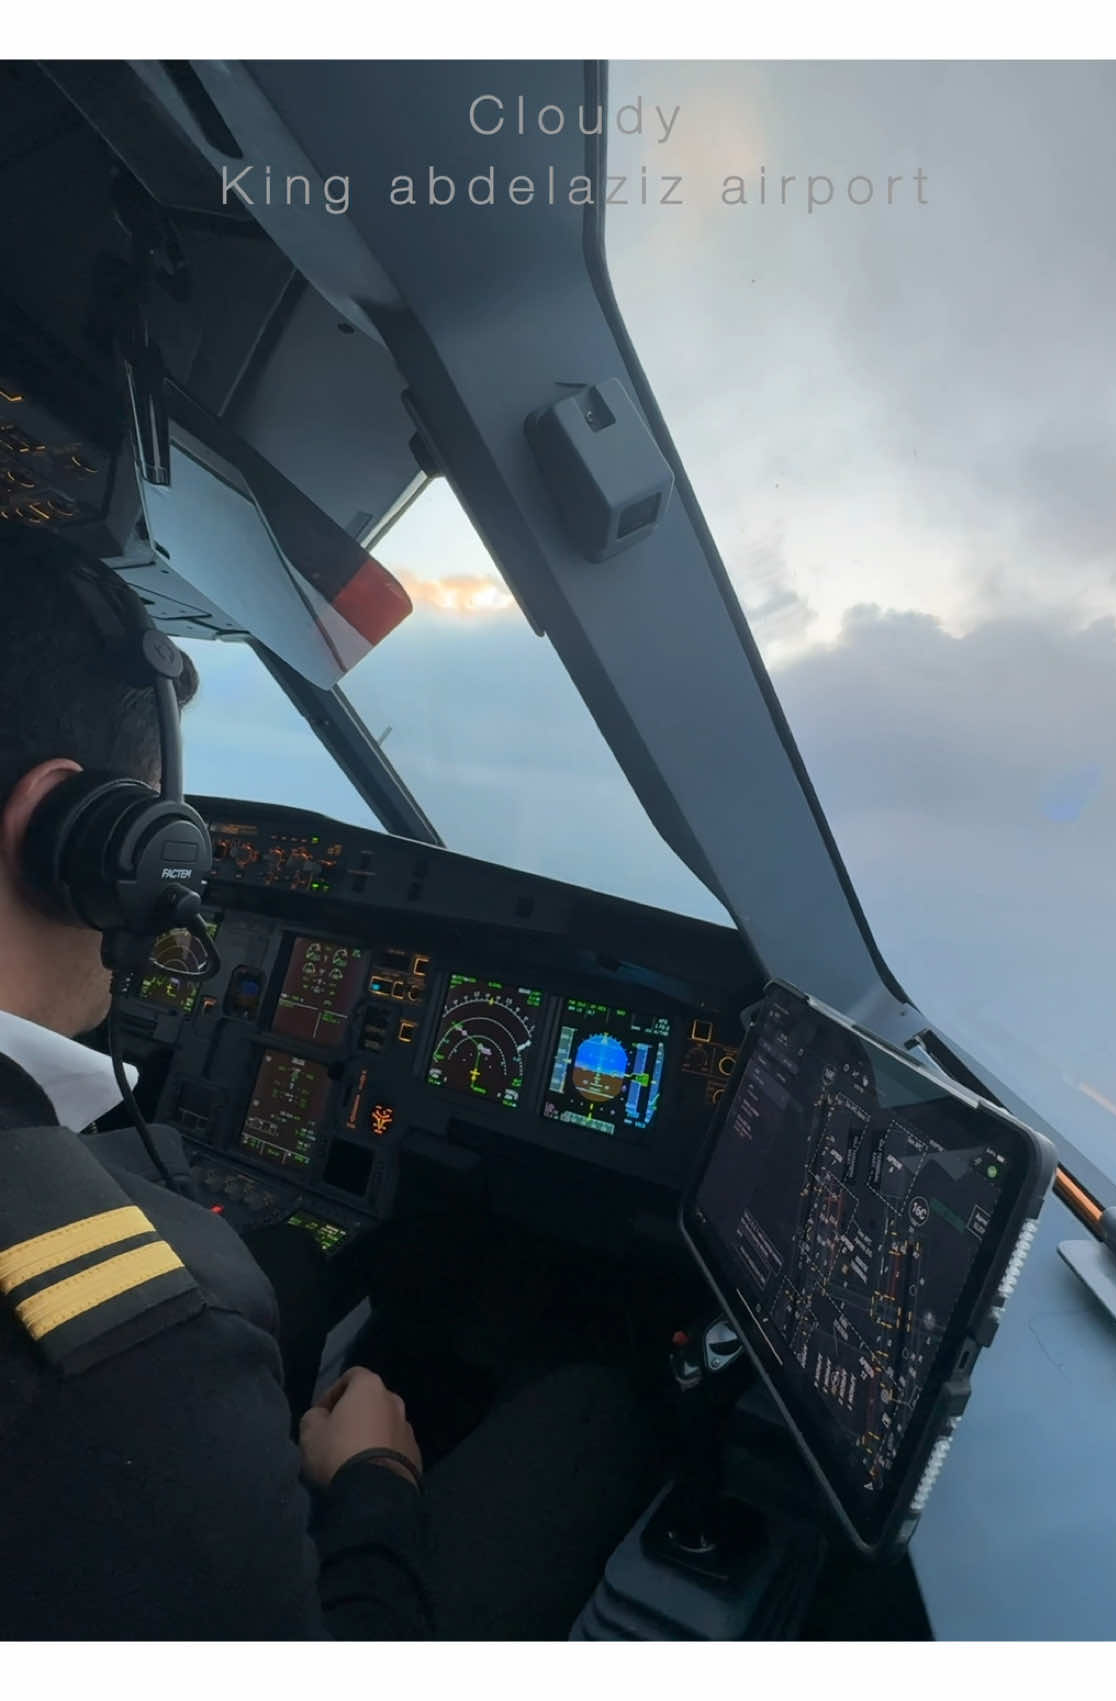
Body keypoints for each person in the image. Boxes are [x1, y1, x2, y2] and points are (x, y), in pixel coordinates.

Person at [0, 537, 652, 1639]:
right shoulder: (146, 1351)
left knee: (301, 1264)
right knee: (598, 1412)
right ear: (71, 833)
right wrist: (372, 1481)